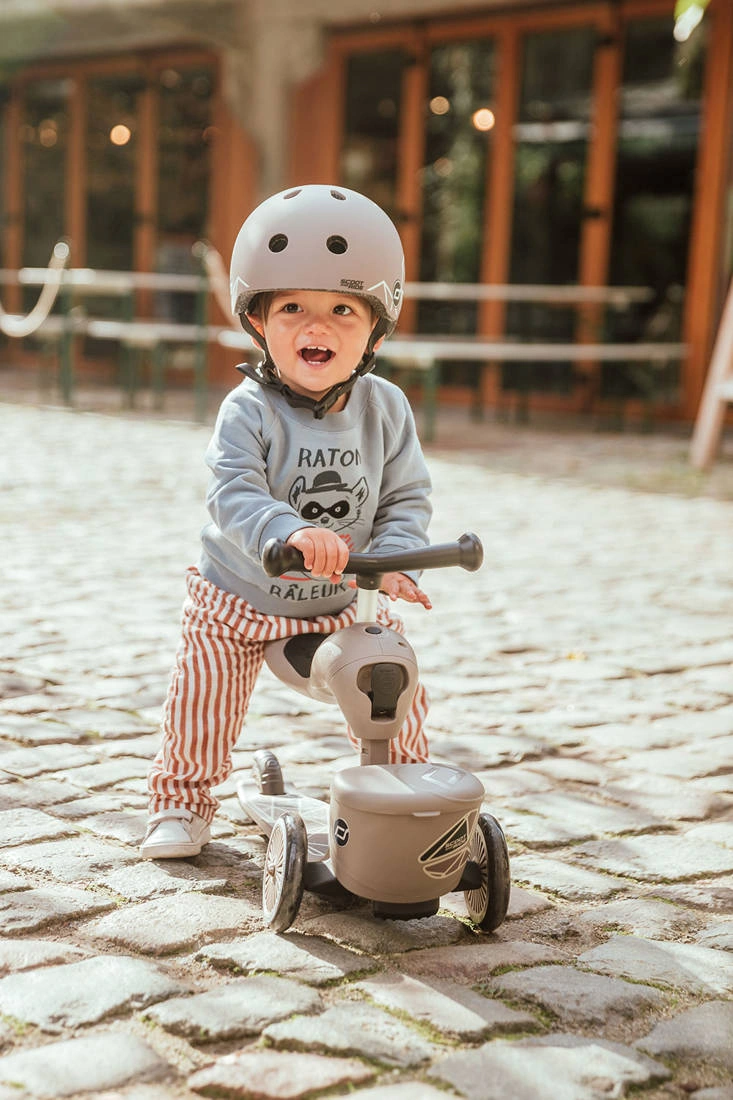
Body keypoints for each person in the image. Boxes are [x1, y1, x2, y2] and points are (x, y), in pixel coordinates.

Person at [141, 184, 433, 860]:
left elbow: (406, 498)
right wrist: (288, 532)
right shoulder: (247, 410)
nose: (316, 327)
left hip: (340, 601)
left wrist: (396, 560)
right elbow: (233, 490)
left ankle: (401, 792)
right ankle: (181, 800)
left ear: (376, 327)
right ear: (259, 321)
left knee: (393, 682)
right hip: (238, 598)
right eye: (293, 307)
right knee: (203, 699)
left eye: (341, 310)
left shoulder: (386, 409)